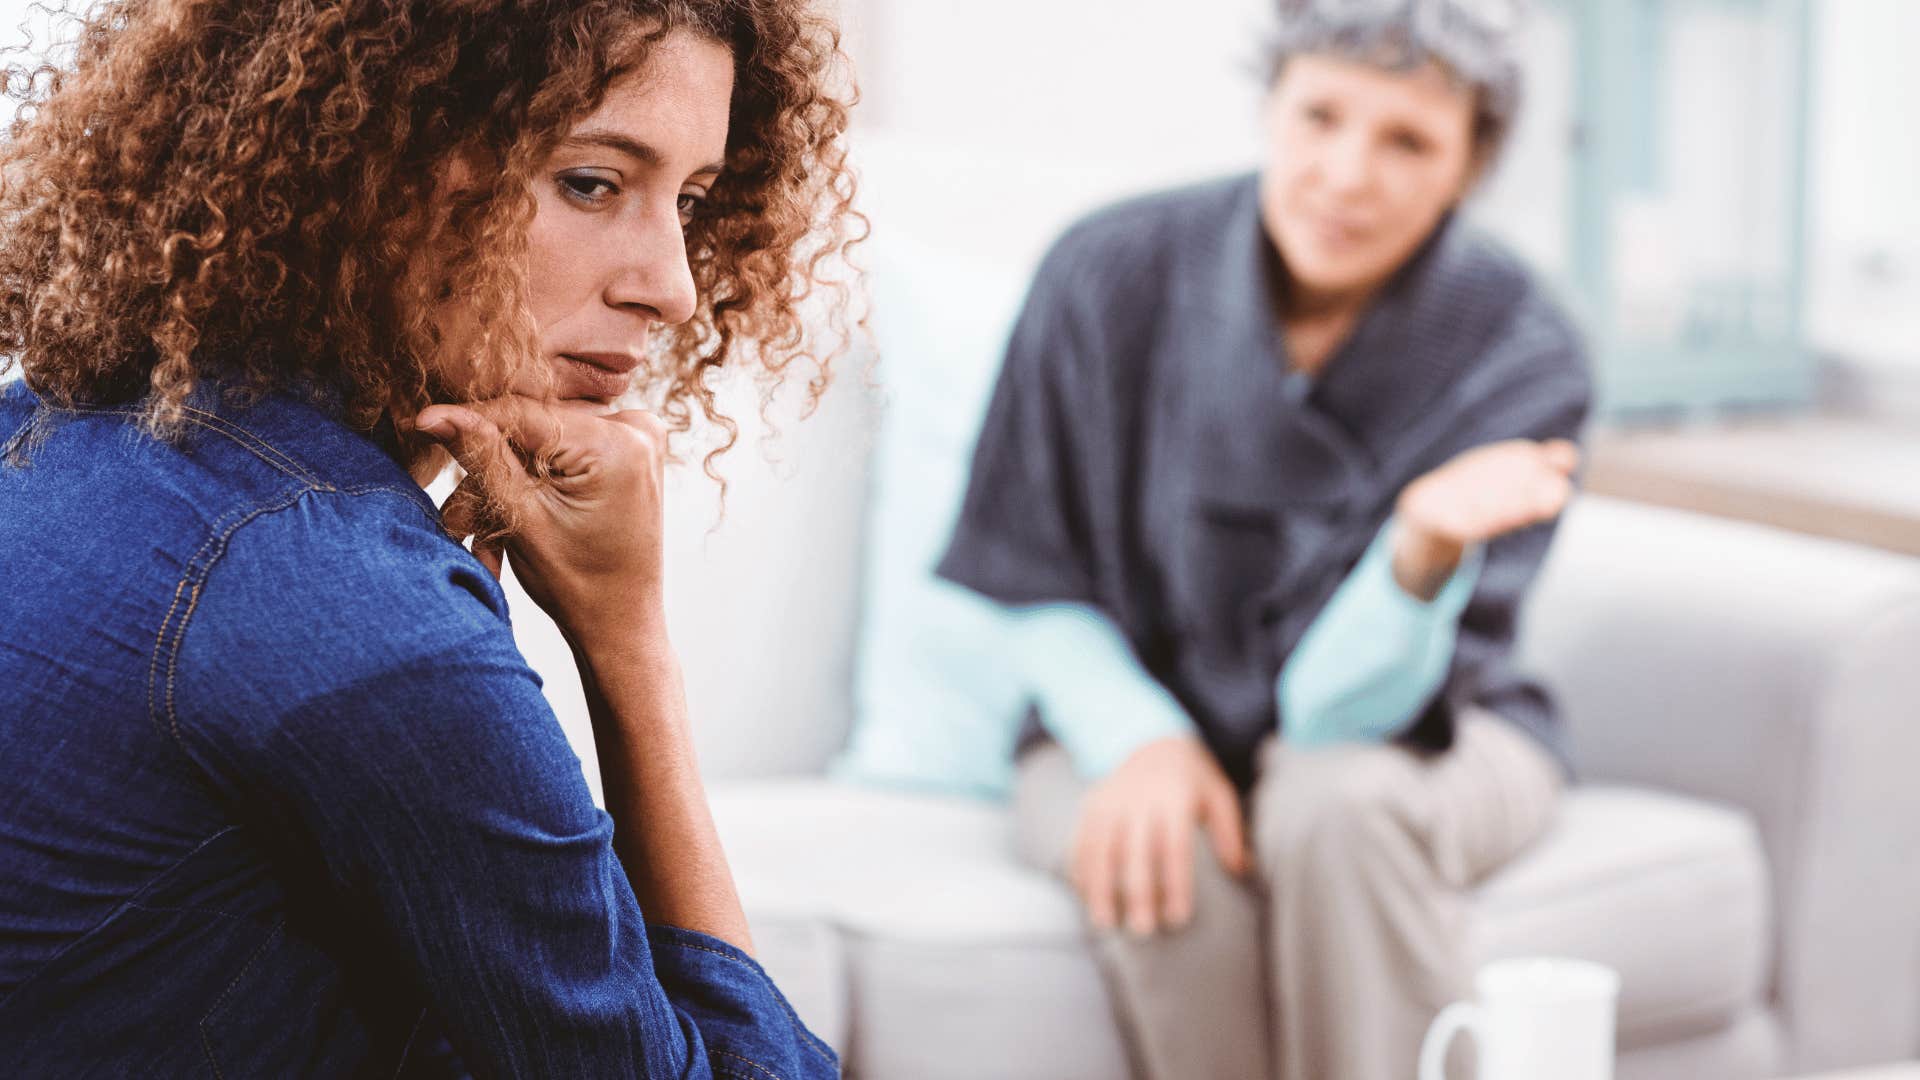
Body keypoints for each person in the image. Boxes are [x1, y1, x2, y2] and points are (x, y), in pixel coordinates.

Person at [0, 0, 856, 1075]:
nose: (672, 288)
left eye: (690, 201)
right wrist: (630, 648)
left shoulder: (51, 422)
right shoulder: (340, 602)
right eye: (591, 183)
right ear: (366, 166)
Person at [936, 1, 1589, 1078]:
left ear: (1470, 166)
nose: (1345, 172)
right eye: (1321, 115)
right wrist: (1140, 739)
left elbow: (1339, 720)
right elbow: (1027, 567)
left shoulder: (1522, 348)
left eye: (1408, 141)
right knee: (1159, 844)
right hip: (1122, 705)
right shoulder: (1106, 272)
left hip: (1433, 732)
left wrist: (1417, 551)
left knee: (1338, 810)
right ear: (1271, 106)